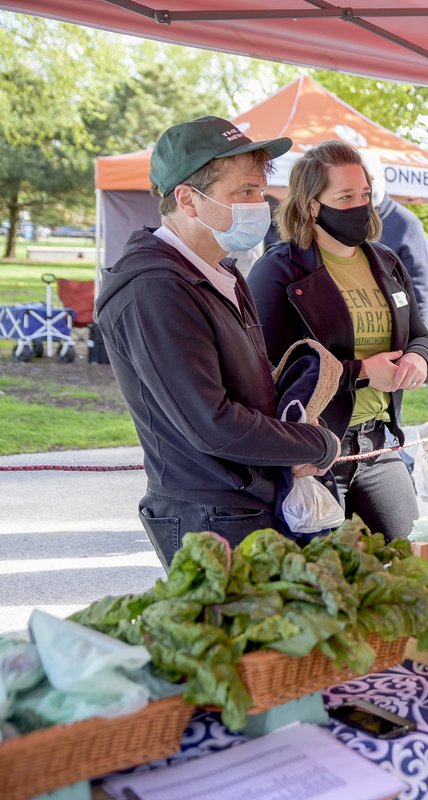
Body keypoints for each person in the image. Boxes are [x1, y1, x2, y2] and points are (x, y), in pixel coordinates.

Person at [95, 116, 340, 568]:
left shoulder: (221, 270)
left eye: (259, 190)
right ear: (188, 199)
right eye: (243, 192)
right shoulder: (154, 289)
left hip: (248, 497)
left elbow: (244, 388)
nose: (258, 204)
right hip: (209, 514)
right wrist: (315, 444)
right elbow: (212, 423)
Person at [249, 141, 428, 542]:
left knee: (407, 569)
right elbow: (270, 370)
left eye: (365, 194)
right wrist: (362, 373)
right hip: (316, 455)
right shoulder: (278, 271)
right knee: (325, 587)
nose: (360, 206)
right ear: (312, 205)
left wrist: (419, 358)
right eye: (345, 196)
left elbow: (419, 335)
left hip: (380, 446)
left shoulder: (386, 261)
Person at [359, 149, 428, 329]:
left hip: (394, 332)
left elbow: (419, 292)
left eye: (372, 178)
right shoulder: (344, 220)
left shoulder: (407, 224)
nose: (368, 186)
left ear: (383, 176)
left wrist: (419, 347)